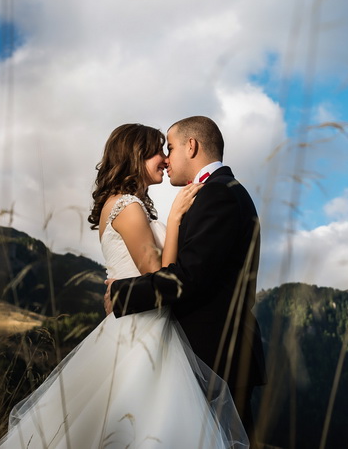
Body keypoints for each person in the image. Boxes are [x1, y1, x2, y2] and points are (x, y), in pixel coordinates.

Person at [0, 123, 249, 449]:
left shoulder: (130, 204)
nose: (165, 159)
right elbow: (158, 271)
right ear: (136, 155)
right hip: (142, 330)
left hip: (143, 323)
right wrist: (174, 222)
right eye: (158, 150)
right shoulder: (127, 206)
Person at [107, 116, 266, 439]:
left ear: (191, 146)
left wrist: (122, 293)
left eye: (170, 146)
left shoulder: (218, 194)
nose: (167, 157)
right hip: (212, 353)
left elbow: (189, 276)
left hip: (216, 354)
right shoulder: (219, 192)